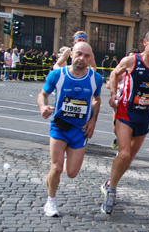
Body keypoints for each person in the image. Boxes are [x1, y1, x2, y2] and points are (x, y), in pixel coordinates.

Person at [101, 29, 149, 215]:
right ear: (145, 43)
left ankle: (110, 182)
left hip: (145, 115)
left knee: (129, 156)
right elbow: (114, 74)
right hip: (126, 112)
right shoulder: (131, 61)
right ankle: (112, 190)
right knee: (123, 153)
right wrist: (114, 94)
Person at [36, 42, 103, 217]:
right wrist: (43, 106)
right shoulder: (57, 75)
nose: (82, 58)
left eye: (87, 56)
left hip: (80, 130)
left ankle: (65, 157)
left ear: (90, 59)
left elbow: (96, 99)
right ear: (72, 54)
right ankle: (51, 201)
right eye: (79, 54)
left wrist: (93, 120)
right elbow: (43, 94)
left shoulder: (95, 78)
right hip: (59, 126)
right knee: (57, 168)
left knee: (72, 173)